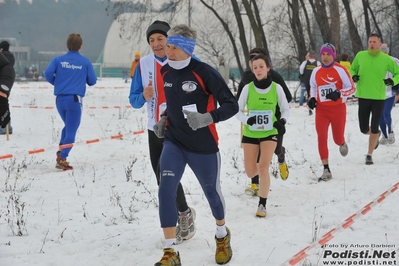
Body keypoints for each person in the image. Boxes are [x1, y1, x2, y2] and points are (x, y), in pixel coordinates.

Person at [152, 24, 237, 266]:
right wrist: (163, 119)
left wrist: (208, 118)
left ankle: (222, 234)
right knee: (165, 189)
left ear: (187, 49)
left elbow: (231, 104)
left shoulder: (205, 72)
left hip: (203, 146)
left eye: (174, 47)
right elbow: (174, 102)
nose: (168, 51)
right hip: (174, 142)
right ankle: (170, 252)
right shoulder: (166, 72)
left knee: (212, 193)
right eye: (167, 46)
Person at [128, 21, 196, 245]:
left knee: (168, 176)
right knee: (161, 177)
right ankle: (184, 212)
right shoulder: (143, 64)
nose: (156, 44)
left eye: (160, 39)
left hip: (178, 129)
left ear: (170, 40)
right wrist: (145, 96)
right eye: (151, 40)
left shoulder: (182, 60)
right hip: (154, 128)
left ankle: (183, 217)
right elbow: (134, 99)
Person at [236, 53, 289, 217]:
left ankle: (262, 205)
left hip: (269, 132)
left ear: (268, 68)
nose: (258, 70)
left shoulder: (276, 88)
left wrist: (282, 121)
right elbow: (236, 111)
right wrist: (247, 120)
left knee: (264, 168)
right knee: (251, 172)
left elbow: (286, 108)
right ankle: (273, 162)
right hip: (251, 133)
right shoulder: (247, 88)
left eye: (261, 66)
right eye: (255, 67)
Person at [44, 33, 97, 170]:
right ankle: (62, 158)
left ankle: (60, 152)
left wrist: (57, 82)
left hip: (60, 99)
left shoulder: (58, 60)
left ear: (67, 45)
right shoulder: (85, 62)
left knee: (68, 127)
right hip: (74, 100)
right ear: (80, 46)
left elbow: (47, 74)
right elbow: (92, 81)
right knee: (71, 131)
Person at [307, 43, 356, 181]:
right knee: (321, 136)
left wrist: (339, 94)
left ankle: (342, 142)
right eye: (323, 54)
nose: (325, 57)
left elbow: (352, 88)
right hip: (322, 110)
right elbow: (313, 86)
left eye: (328, 54)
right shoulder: (316, 71)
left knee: (337, 138)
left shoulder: (340, 70)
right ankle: (326, 169)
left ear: (333, 55)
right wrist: (312, 99)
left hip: (338, 109)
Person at [350, 33, 399, 165]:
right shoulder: (360, 55)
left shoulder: (386, 59)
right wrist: (354, 76)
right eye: (370, 41)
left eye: (374, 42)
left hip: (378, 97)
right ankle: (375, 135)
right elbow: (352, 69)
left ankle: (369, 154)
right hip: (363, 96)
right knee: (363, 128)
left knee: (375, 124)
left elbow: (398, 73)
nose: (372, 44)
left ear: (379, 43)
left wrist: (393, 81)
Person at [378, 43, 398, 145]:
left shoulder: (394, 60)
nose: (384, 53)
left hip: (390, 93)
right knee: (380, 116)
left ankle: (390, 132)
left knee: (386, 113)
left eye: (385, 51)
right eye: (382, 51)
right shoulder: (375, 61)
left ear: (388, 51)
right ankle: (384, 136)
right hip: (377, 93)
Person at [0, 41, 15, 135]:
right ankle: (7, 127)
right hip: (7, 78)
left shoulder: (2, 56)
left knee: (2, 102)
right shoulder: (11, 56)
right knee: (3, 102)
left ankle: (4, 127)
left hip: (4, 77)